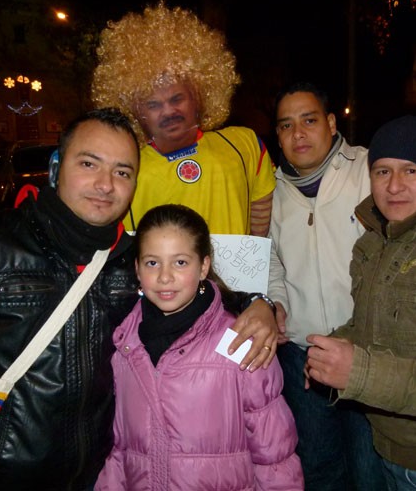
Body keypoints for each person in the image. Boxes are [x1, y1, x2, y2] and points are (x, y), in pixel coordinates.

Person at [0, 108, 277, 491]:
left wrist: (259, 304)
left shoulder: (131, 261)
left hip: (95, 479)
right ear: (56, 168)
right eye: (89, 164)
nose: (105, 185)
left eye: (122, 172)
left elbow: (201, 293)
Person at [268, 82, 416, 490]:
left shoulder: (372, 168)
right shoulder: (269, 190)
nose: (299, 134)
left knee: (370, 470)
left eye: (309, 120)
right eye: (286, 125)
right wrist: (276, 300)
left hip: (374, 353)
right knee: (320, 467)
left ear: (331, 123)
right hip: (304, 351)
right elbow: (272, 255)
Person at [94, 204, 303, 490]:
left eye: (180, 262)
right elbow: (120, 450)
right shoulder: (124, 345)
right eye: (152, 263)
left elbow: (275, 456)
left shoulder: (242, 341)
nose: (165, 277)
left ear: (203, 266)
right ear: (137, 269)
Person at [91, 1, 276, 237]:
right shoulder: (125, 166)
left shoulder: (243, 144)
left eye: (177, 98)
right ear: (134, 111)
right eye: (154, 104)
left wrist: (252, 248)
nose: (169, 111)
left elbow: (263, 202)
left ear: (199, 96)